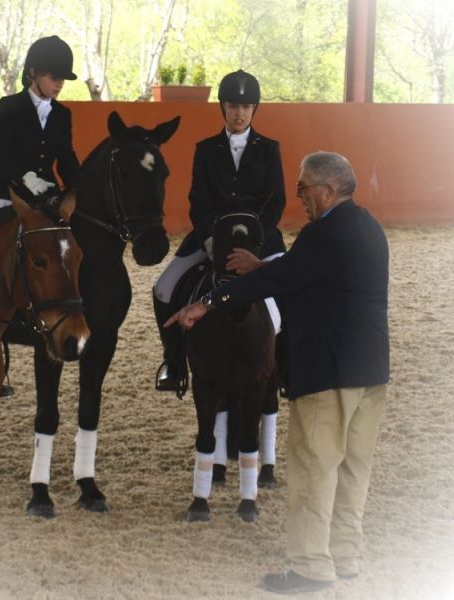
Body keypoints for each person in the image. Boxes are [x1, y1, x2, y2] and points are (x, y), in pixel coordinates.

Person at [166, 151, 390, 594]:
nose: (300, 196)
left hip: (329, 371)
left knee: (313, 468)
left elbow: (278, 281)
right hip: (371, 372)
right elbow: (313, 274)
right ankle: (343, 556)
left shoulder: (320, 234)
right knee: (352, 469)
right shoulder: (369, 227)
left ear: (327, 190)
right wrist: (266, 266)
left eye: (305, 188)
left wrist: (207, 302)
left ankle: (309, 567)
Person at [153, 68, 286, 394]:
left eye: (245, 107)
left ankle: (287, 365)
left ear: (254, 109)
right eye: (232, 106)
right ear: (223, 108)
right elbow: (198, 200)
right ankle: (174, 362)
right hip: (212, 237)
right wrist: (212, 240)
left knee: (293, 290)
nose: (239, 113)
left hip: (260, 239)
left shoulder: (269, 148)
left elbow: (277, 201)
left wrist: (256, 245)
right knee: (164, 288)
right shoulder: (206, 148)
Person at [0, 35, 79, 220]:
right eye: (54, 78)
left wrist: (77, 188)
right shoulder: (10, 106)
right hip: (9, 191)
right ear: (33, 72)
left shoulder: (62, 114)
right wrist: (24, 177)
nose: (59, 84)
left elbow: (66, 159)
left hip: (47, 192)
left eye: (62, 79)